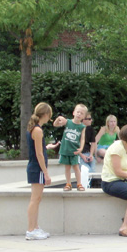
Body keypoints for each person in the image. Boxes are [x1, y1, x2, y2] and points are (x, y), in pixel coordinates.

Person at [26, 102, 53, 240]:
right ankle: (31, 229)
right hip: (37, 168)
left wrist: (46, 147)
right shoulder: (38, 130)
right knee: (35, 199)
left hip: (34, 167)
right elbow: (39, 154)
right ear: (46, 114)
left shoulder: (34, 129)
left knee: (37, 199)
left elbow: (38, 149)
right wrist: (46, 173)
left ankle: (35, 227)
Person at [53, 104, 88, 191]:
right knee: (67, 167)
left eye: (81, 113)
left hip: (74, 150)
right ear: (74, 112)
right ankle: (68, 183)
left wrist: (81, 148)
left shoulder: (82, 127)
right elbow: (55, 124)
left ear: (84, 116)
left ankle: (79, 183)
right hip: (65, 149)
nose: (79, 114)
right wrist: (58, 118)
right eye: (78, 112)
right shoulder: (68, 122)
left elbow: (82, 138)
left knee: (76, 167)